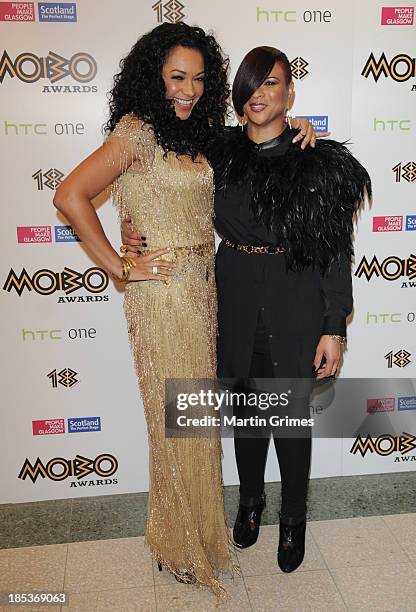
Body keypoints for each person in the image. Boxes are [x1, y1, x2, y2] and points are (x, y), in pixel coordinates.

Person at [53, 22, 239, 596]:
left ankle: (189, 535)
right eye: (177, 78)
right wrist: (120, 264)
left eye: (199, 79)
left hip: (201, 290)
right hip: (162, 296)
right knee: (178, 425)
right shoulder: (136, 133)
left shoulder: (194, 131)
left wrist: (301, 129)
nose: (189, 89)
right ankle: (181, 545)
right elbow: (69, 194)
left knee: (195, 421)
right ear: (152, 77)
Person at [208, 46, 371, 573]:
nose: (260, 93)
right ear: (239, 95)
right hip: (233, 294)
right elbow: (165, 186)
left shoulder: (313, 161)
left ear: (289, 94)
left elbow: (334, 250)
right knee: (248, 415)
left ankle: (294, 518)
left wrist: (333, 327)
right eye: (252, 84)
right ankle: (251, 502)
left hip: (295, 298)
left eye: (272, 83)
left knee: (289, 421)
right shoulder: (218, 150)